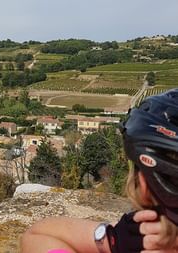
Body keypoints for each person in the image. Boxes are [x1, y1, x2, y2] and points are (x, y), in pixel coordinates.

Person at [20, 89, 178, 253]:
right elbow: (35, 235)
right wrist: (114, 237)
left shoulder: (142, 236)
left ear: (144, 185)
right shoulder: (148, 234)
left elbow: (36, 236)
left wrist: (112, 239)